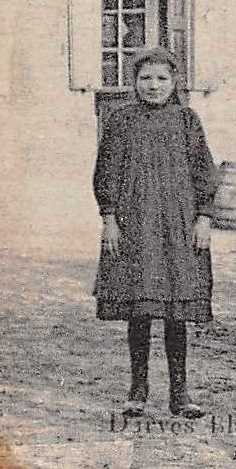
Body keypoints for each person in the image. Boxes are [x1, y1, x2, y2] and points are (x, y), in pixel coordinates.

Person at [92, 48, 219, 419]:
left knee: (176, 310)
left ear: (175, 82)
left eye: (162, 79)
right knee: (140, 308)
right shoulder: (120, 120)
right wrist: (110, 218)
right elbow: (106, 171)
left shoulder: (187, 119)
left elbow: (204, 172)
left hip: (179, 226)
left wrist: (205, 217)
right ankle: (138, 390)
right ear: (134, 82)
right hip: (135, 225)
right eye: (145, 78)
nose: (153, 86)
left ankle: (180, 394)